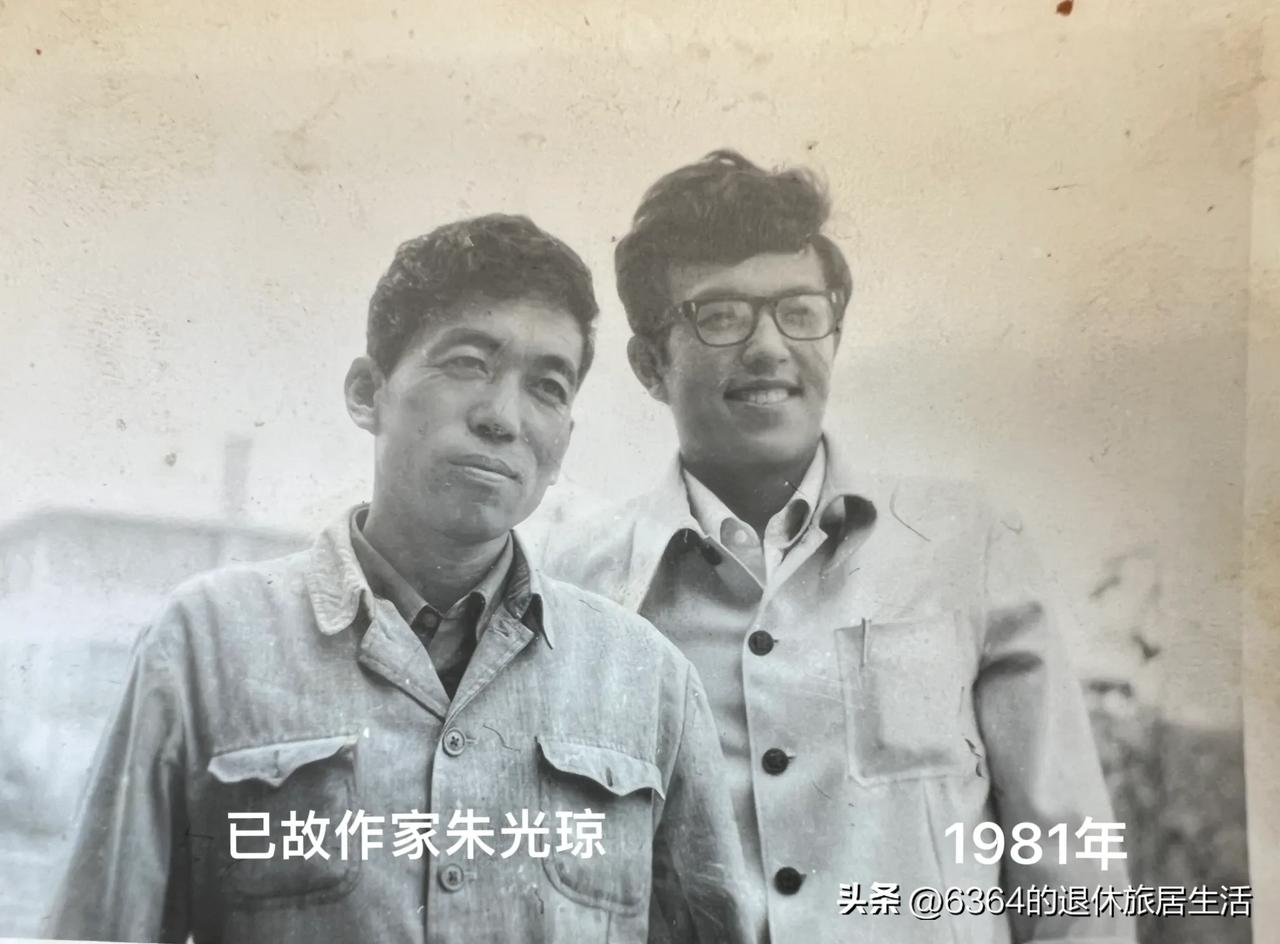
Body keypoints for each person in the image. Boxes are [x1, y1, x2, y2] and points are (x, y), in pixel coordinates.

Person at [46, 214, 761, 943]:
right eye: (468, 364)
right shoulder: (207, 644)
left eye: (547, 387)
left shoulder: (649, 681)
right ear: (368, 393)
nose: (502, 418)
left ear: (564, 439)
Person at [537, 151, 1135, 942]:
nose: (768, 347)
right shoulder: (571, 588)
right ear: (651, 365)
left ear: (835, 334)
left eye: (799, 311)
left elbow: (1071, 867)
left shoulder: (965, 547)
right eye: (721, 316)